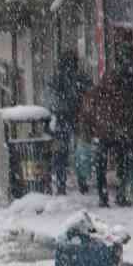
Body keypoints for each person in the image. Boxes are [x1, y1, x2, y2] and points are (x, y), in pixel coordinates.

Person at [82, 45, 133, 208]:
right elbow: (129, 111)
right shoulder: (118, 91)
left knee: (109, 164)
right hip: (113, 132)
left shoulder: (108, 90)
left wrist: (89, 129)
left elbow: (89, 109)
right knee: (116, 164)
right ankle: (115, 195)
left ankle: (110, 196)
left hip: (110, 132)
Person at [48, 52, 91, 196]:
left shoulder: (56, 78)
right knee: (80, 152)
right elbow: (88, 93)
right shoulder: (80, 77)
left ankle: (61, 185)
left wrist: (58, 110)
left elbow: (51, 99)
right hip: (77, 118)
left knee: (62, 154)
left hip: (62, 119)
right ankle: (82, 181)